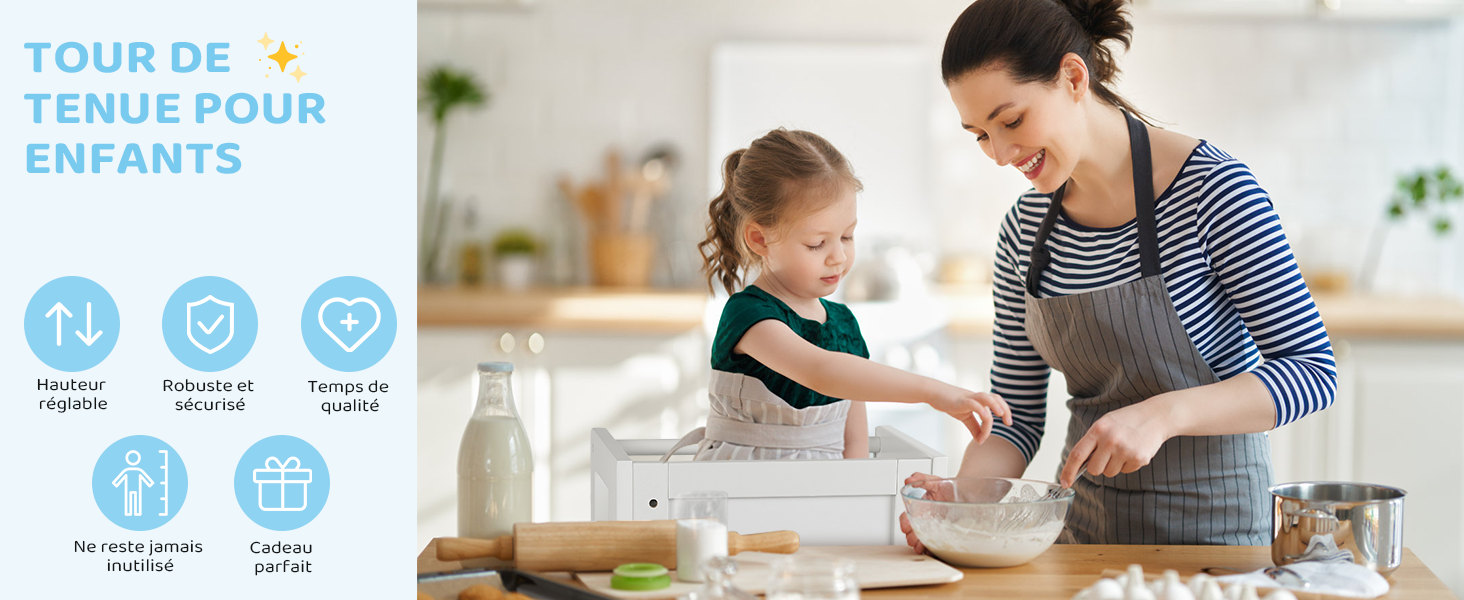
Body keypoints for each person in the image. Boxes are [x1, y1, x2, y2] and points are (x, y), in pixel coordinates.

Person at [901, 0, 1337, 546]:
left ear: (1073, 77)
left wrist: (1164, 414)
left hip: (1216, 538)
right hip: (1081, 533)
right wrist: (961, 501)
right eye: (980, 134)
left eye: (1011, 120)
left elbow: (1313, 373)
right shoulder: (1024, 229)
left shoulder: (1215, 192)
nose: (1000, 153)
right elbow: (1016, 417)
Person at [662, 128, 1012, 462]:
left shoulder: (843, 323)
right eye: (817, 243)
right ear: (759, 239)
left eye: (847, 236)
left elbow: (854, 440)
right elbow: (820, 370)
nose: (838, 257)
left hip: (823, 500)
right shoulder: (749, 316)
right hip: (740, 496)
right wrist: (934, 392)